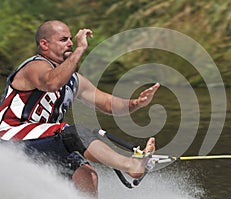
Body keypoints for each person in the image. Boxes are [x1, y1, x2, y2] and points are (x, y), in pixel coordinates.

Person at [0, 20, 159, 197]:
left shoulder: (73, 80)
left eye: (70, 39)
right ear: (44, 44)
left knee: (87, 175)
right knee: (73, 133)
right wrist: (80, 49)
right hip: (8, 140)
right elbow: (51, 83)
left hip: (42, 142)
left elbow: (107, 103)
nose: (70, 43)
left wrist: (136, 103)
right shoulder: (34, 66)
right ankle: (132, 165)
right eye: (63, 39)